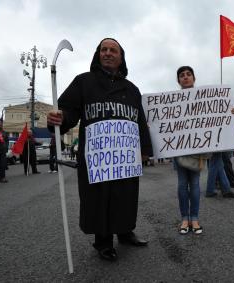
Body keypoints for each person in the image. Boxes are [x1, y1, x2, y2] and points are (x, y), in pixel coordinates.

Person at [47, 38, 153, 262]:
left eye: (113, 50)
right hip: (97, 157)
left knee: (125, 196)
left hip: (125, 157)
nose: (108, 53)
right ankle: (103, 242)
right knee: (99, 198)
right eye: (103, 49)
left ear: (121, 57)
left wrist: (144, 149)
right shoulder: (83, 82)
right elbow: (68, 111)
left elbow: (140, 122)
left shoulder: (133, 90)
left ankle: (125, 232)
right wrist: (60, 117)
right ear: (98, 55)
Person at [172, 66, 206, 235]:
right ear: (178, 80)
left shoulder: (204, 99)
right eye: (182, 76)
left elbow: (214, 117)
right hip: (178, 150)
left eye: (188, 74)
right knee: (181, 185)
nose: (185, 77)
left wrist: (229, 114)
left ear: (194, 78)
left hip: (197, 150)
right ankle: (185, 218)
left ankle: (194, 218)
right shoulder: (171, 100)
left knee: (195, 184)